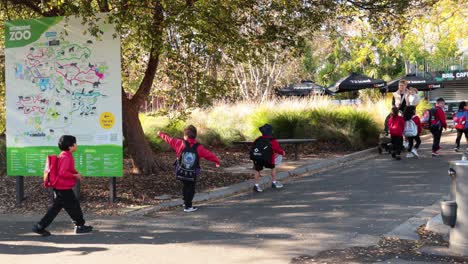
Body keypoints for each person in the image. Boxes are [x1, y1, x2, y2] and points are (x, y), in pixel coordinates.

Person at [32, 135, 93, 236]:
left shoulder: (64, 154)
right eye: (75, 143)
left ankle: (40, 226)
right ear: (70, 146)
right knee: (73, 206)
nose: (76, 145)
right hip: (63, 188)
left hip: (61, 187)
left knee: (61, 208)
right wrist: (74, 175)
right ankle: (79, 226)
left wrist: (74, 173)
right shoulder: (66, 156)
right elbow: (62, 172)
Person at [158, 125, 220, 212]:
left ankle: (185, 201)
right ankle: (188, 206)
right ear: (195, 136)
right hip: (192, 173)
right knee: (191, 188)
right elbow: (209, 155)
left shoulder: (179, 143)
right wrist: (217, 161)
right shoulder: (199, 147)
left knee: (185, 185)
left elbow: (169, 139)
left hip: (180, 171)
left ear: (185, 136)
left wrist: (160, 134)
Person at [251, 124, 286, 192]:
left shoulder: (258, 139)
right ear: (270, 132)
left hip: (258, 158)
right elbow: (278, 150)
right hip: (268, 159)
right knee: (274, 166)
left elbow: (253, 147)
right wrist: (283, 152)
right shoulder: (272, 140)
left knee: (257, 170)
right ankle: (274, 182)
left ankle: (256, 185)